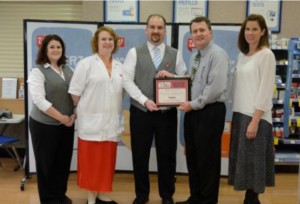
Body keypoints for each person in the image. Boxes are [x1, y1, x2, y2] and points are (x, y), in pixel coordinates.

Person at [122, 14, 187, 204]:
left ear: (165, 31)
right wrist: (144, 100)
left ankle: (167, 196)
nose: (156, 31)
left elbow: (183, 79)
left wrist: (172, 76)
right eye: (152, 27)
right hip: (141, 112)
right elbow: (126, 80)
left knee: (167, 155)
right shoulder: (134, 52)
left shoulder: (175, 53)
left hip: (167, 114)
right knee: (140, 155)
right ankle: (141, 195)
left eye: (159, 28)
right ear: (146, 30)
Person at [177, 16, 230, 204]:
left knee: (207, 160)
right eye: (195, 31)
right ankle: (196, 197)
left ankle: (207, 200)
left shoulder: (218, 55)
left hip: (209, 111)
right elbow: (191, 81)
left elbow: (213, 89)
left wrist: (193, 104)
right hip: (193, 111)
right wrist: (173, 79)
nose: (198, 34)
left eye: (202, 30)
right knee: (193, 157)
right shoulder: (195, 56)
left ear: (210, 32)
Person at [68, 26, 123, 204]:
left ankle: (100, 193)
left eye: (110, 39)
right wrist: (86, 109)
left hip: (110, 123)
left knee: (106, 162)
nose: (107, 42)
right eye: (103, 39)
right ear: (96, 43)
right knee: (91, 162)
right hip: (90, 123)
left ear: (115, 43)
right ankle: (91, 196)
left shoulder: (120, 66)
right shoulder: (86, 64)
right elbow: (75, 93)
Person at [228, 14, 276, 204]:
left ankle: (252, 200)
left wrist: (255, 120)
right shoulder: (242, 55)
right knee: (244, 165)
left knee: (254, 165)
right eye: (247, 29)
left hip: (256, 116)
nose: (250, 33)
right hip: (240, 115)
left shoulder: (266, 55)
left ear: (263, 31)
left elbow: (265, 91)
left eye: (255, 29)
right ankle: (251, 200)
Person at [28, 34, 76, 204]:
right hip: (44, 125)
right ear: (45, 50)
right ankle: (49, 199)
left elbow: (76, 95)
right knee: (46, 164)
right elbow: (39, 101)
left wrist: (74, 115)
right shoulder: (38, 71)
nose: (56, 50)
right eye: (52, 47)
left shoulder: (68, 70)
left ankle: (59, 195)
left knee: (63, 162)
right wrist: (62, 118)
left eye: (59, 47)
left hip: (66, 124)